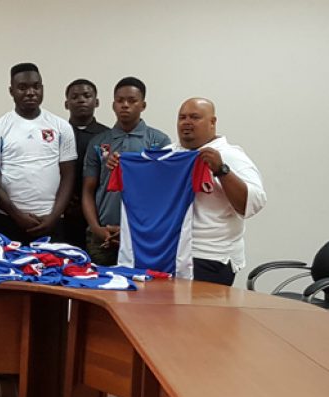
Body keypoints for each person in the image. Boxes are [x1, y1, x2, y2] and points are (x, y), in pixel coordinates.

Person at [174, 98, 266, 285]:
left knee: (202, 315)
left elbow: (254, 203)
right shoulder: (169, 154)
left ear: (212, 122)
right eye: (182, 117)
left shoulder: (231, 156)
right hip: (172, 252)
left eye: (195, 117)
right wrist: (121, 167)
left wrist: (221, 170)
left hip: (211, 256)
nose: (186, 122)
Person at [0, 63, 77, 245]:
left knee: (52, 272)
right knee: (8, 273)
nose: (31, 92)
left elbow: (68, 176)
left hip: (51, 220)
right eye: (23, 87)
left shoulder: (61, 127)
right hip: (9, 221)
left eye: (36, 86)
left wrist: (54, 216)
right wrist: (17, 216)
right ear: (11, 91)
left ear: (42, 88)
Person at [81, 77, 170, 265]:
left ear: (143, 105)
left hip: (143, 236)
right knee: (99, 291)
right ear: (113, 105)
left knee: (143, 292)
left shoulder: (159, 141)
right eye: (120, 101)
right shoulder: (98, 142)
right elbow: (88, 190)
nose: (125, 105)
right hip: (103, 236)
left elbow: (164, 193)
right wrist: (96, 229)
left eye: (132, 100)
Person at [63, 79, 110, 249]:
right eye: (74, 97)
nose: (81, 100)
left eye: (87, 96)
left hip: (97, 213)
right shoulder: (59, 134)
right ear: (66, 104)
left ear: (96, 102)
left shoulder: (107, 136)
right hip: (64, 213)